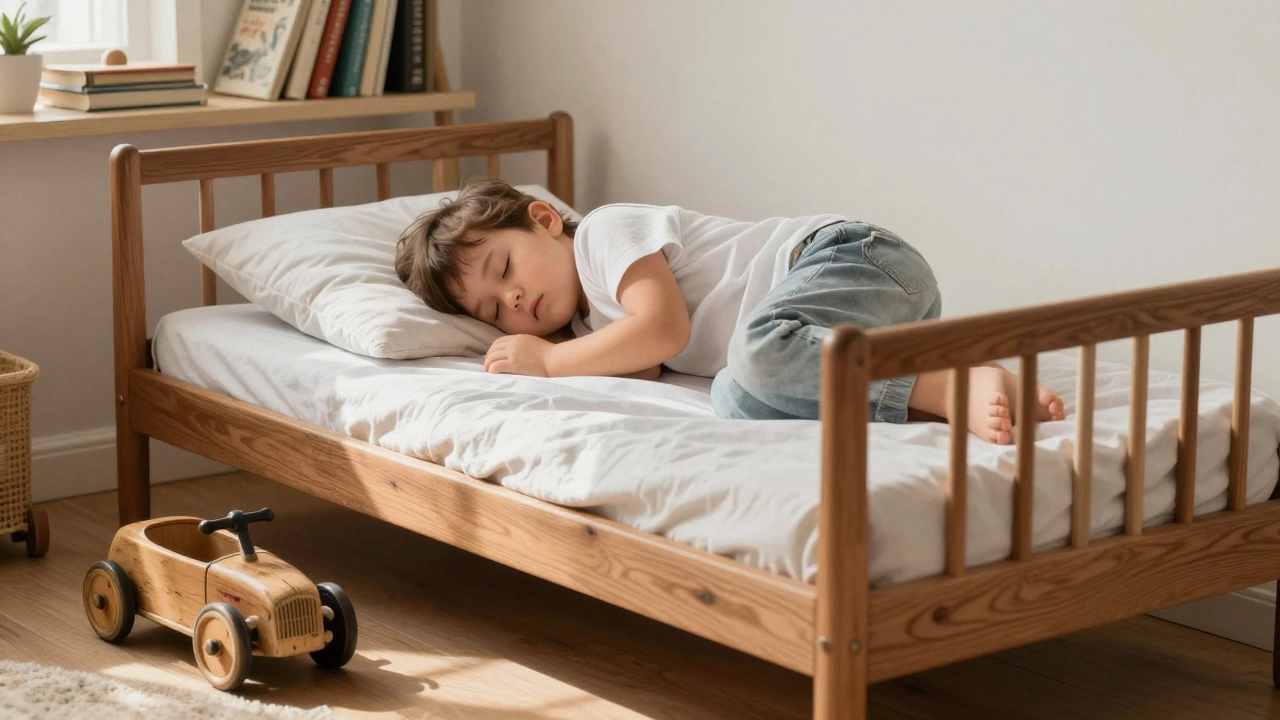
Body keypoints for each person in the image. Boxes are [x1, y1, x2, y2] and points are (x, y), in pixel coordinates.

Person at [394, 178, 1065, 444]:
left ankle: (949, 383)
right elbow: (645, 366)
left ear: (544, 220)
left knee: (755, 352)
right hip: (853, 326)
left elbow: (661, 330)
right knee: (736, 398)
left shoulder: (603, 234)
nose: (511, 300)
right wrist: (563, 356)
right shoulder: (589, 325)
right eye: (492, 310)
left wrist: (547, 361)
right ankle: (943, 381)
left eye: (505, 270)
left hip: (851, 259)